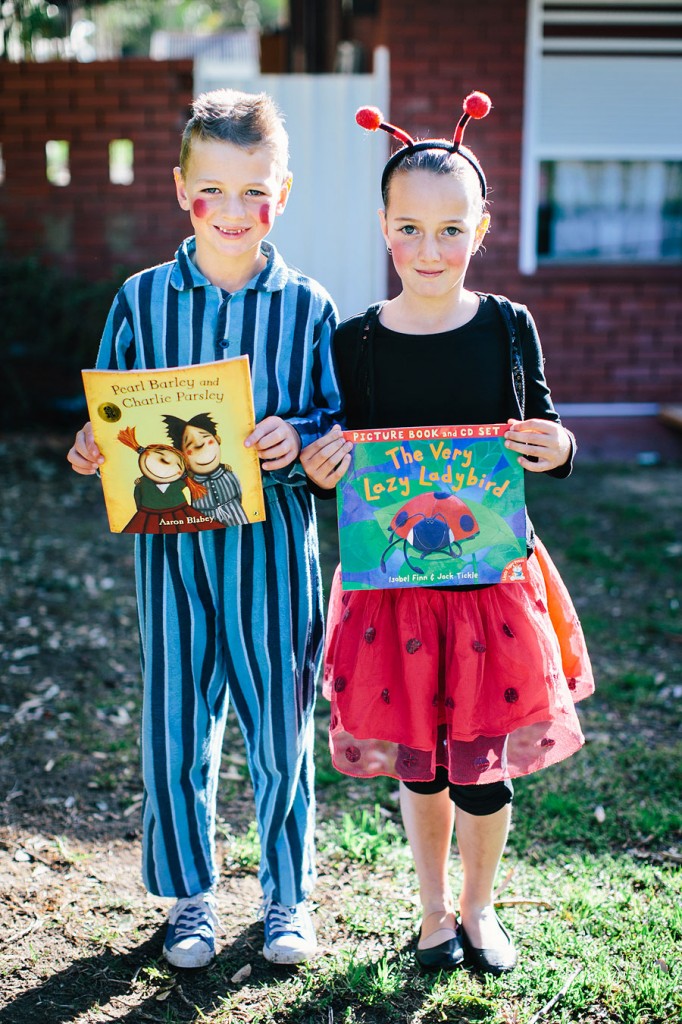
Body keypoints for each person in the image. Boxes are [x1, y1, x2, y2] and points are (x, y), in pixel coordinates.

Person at [301, 92, 594, 976]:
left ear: (482, 228)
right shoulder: (356, 343)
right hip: (394, 594)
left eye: (452, 229)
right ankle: (430, 910)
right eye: (410, 229)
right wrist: (323, 466)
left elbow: (541, 425)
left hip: (493, 591)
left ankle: (480, 910)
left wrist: (560, 444)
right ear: (384, 227)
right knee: (420, 766)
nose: (431, 251)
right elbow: (339, 458)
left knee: (482, 767)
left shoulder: (508, 327)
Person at [67, 88, 342, 969]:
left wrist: (299, 439)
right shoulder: (142, 303)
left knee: (279, 727)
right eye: (211, 190)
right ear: (180, 189)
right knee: (175, 724)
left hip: (272, 559)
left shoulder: (308, 308)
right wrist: (90, 445)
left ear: (283, 195)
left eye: (254, 191)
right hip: (172, 556)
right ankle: (191, 899)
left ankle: (287, 897)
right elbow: (109, 418)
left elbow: (337, 429)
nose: (233, 211)